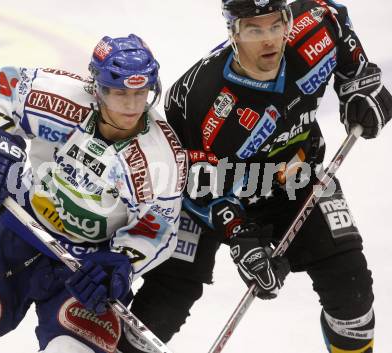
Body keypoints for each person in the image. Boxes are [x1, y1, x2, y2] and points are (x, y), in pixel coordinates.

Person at [117, 1, 392, 352]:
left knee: (352, 297)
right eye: (254, 30)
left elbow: (338, 22)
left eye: (276, 26)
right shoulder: (203, 100)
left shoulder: (316, 28)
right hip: (206, 197)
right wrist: (242, 239)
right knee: (159, 313)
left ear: (288, 21)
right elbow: (195, 185)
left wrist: (359, 86)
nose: (269, 41)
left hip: (296, 177)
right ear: (233, 33)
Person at [0, 34, 187, 353]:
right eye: (120, 92)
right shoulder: (64, 98)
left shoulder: (163, 157)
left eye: (140, 92)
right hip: (18, 234)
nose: (132, 105)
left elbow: (156, 227)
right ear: (98, 87)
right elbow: (4, 87)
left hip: (85, 271)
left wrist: (120, 264)